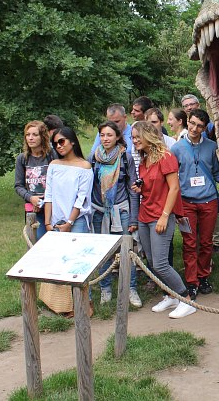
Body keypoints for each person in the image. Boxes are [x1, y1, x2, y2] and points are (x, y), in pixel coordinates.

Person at [172, 109, 219, 298]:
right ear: (187, 121)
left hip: (208, 201)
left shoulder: (212, 147)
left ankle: (203, 276)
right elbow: (171, 179)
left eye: (199, 126)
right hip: (187, 203)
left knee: (206, 243)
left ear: (205, 127)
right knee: (189, 243)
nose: (194, 128)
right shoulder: (176, 149)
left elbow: (216, 174)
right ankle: (192, 282)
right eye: (192, 123)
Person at [131, 121, 196, 319]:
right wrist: (141, 188)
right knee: (152, 262)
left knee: (160, 264)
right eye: (132, 137)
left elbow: (174, 188)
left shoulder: (166, 157)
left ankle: (187, 300)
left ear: (148, 136)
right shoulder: (144, 160)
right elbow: (154, 186)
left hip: (161, 216)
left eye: (137, 137)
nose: (134, 141)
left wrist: (165, 216)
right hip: (144, 215)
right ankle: (171, 296)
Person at [89, 121, 142, 308]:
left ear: (118, 137)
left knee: (126, 251)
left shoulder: (125, 157)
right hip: (99, 211)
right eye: (102, 135)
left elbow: (133, 189)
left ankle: (131, 288)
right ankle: (105, 288)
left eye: (109, 135)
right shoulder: (94, 158)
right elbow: (89, 186)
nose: (105, 139)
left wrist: (134, 218)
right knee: (103, 252)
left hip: (122, 210)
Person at [43, 127, 93, 235]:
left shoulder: (84, 166)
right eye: (55, 144)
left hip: (77, 220)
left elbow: (81, 198)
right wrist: (47, 223)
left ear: (72, 141)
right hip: (55, 220)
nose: (58, 146)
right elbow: (48, 195)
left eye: (61, 141)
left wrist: (69, 222)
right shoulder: (54, 165)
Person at [14, 120, 53, 240]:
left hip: (51, 206)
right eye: (28, 135)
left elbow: (58, 183)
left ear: (42, 137)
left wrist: (42, 201)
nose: (30, 138)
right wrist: (31, 198)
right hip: (32, 209)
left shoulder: (51, 156)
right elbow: (18, 186)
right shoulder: (22, 158)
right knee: (35, 240)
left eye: (35, 135)